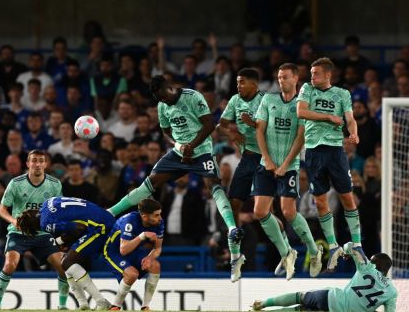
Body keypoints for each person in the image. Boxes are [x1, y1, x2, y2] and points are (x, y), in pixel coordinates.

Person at [108, 75, 240, 281]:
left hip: (201, 151)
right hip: (179, 153)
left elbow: (209, 124)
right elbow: (165, 130)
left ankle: (232, 228)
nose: (163, 101)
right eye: (158, 98)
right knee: (149, 183)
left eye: (163, 96)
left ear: (170, 88)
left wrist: (192, 146)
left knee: (214, 185)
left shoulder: (192, 97)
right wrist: (178, 145)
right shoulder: (162, 105)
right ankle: (110, 213)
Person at [253, 63, 322, 279]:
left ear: (295, 79)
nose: (281, 80)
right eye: (279, 77)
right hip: (266, 164)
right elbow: (259, 131)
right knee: (260, 211)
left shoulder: (302, 104)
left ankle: (313, 250)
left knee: (289, 212)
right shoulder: (268, 99)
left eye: (285, 77)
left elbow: (301, 136)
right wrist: (268, 160)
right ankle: (287, 252)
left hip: (289, 165)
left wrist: (284, 165)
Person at [297, 57, 363, 270]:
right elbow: (301, 112)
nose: (311, 76)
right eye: (311, 73)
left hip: (336, 150)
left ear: (328, 74)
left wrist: (353, 133)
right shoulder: (307, 89)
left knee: (347, 197)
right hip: (313, 151)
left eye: (315, 73)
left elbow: (350, 118)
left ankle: (358, 244)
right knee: (321, 202)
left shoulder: (342, 94)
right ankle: (333, 245)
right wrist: (328, 117)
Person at [0, 150, 70, 310]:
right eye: (34, 160)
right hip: (19, 232)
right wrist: (14, 221)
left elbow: (60, 210)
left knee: (64, 267)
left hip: (43, 234)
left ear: (46, 164)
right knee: (9, 265)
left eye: (41, 161)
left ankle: (62, 306)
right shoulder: (15, 183)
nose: (37, 164)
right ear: (28, 164)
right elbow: (2, 209)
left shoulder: (55, 184)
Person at [17, 197, 115, 310]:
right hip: (102, 217)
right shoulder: (47, 203)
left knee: (68, 262)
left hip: (100, 227)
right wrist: (65, 240)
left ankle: (101, 302)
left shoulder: (46, 223)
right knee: (65, 263)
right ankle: (83, 304)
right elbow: (74, 218)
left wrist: (60, 241)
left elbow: (79, 228)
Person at [215, 68, 265, 279]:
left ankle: (284, 249)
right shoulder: (235, 100)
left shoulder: (267, 101)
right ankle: (236, 253)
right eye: (237, 82)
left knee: (269, 210)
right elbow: (220, 126)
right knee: (234, 202)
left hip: (268, 157)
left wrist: (252, 124)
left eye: (242, 82)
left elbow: (274, 130)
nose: (238, 85)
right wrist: (232, 132)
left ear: (254, 84)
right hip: (248, 157)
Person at [252, 243, 397, 312]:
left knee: (299, 297)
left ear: (374, 262)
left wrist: (346, 253)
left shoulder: (367, 267)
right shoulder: (392, 292)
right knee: (299, 311)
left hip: (330, 298)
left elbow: (350, 245)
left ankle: (262, 304)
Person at [104, 199, 163, 311]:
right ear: (145, 217)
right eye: (156, 215)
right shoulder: (129, 221)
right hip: (114, 251)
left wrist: (149, 258)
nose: (159, 218)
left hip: (134, 249)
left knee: (155, 265)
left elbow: (158, 248)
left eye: (160, 214)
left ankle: (145, 307)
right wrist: (142, 236)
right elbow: (123, 250)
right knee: (132, 274)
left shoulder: (159, 223)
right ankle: (115, 307)